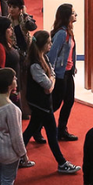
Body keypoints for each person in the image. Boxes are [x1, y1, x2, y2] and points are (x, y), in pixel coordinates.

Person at [22, 31, 81, 174]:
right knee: (52, 133)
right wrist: (51, 81)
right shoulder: (35, 64)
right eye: (49, 42)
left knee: (32, 128)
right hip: (40, 103)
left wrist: (51, 80)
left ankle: (18, 155)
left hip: (42, 102)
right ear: (42, 45)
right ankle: (61, 163)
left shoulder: (43, 58)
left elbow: (52, 75)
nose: (51, 45)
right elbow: (48, 85)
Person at [48, 4, 79, 141]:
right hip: (60, 74)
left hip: (68, 73)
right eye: (73, 13)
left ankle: (61, 130)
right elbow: (52, 55)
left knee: (69, 101)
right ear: (67, 16)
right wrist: (51, 73)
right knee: (55, 104)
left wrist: (73, 66)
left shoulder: (68, 31)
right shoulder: (61, 33)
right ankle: (38, 127)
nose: (75, 14)